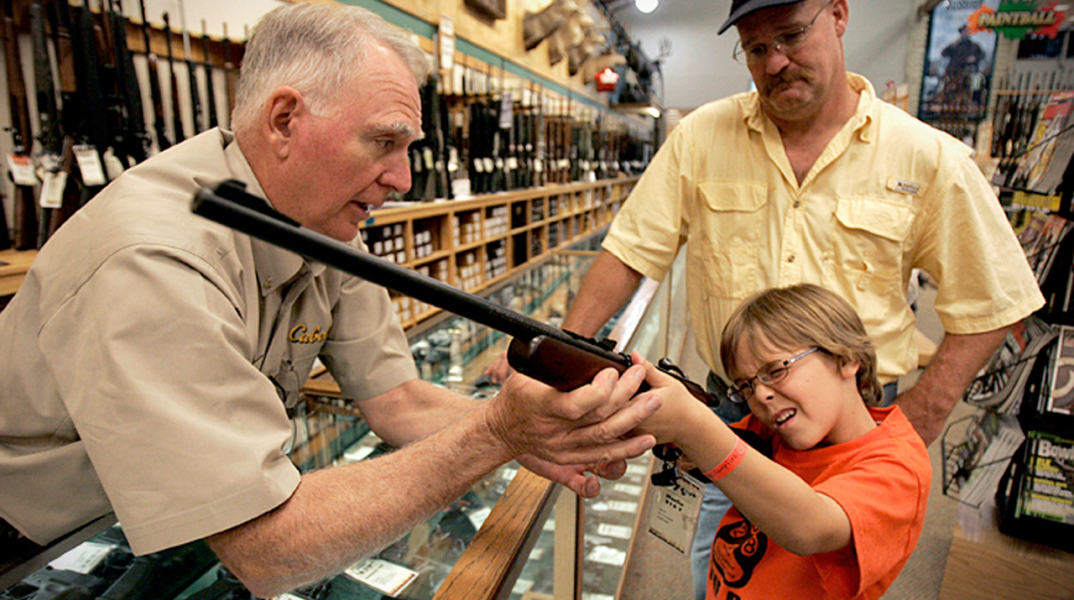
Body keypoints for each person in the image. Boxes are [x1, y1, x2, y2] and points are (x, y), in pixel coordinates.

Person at [0, 4, 662, 597]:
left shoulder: (312, 216)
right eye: (383, 142)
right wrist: (495, 433)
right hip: (38, 550)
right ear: (285, 119)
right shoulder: (151, 257)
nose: (402, 180)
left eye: (408, 148)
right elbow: (266, 547)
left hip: (161, 522)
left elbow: (398, 399)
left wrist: (531, 438)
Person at [487, 0, 1043, 597]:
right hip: (732, 411)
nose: (776, 61)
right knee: (725, 571)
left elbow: (993, 298)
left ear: (837, 15)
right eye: (756, 48)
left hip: (856, 429)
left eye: (791, 35)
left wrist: (923, 416)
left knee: (822, 578)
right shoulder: (701, 135)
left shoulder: (927, 156)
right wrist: (558, 361)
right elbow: (630, 252)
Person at [633, 284, 931, 600]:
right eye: (746, 386)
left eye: (776, 370)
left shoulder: (899, 468)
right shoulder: (775, 429)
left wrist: (694, 428)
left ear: (845, 358)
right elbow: (731, 453)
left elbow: (810, 527)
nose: (760, 395)